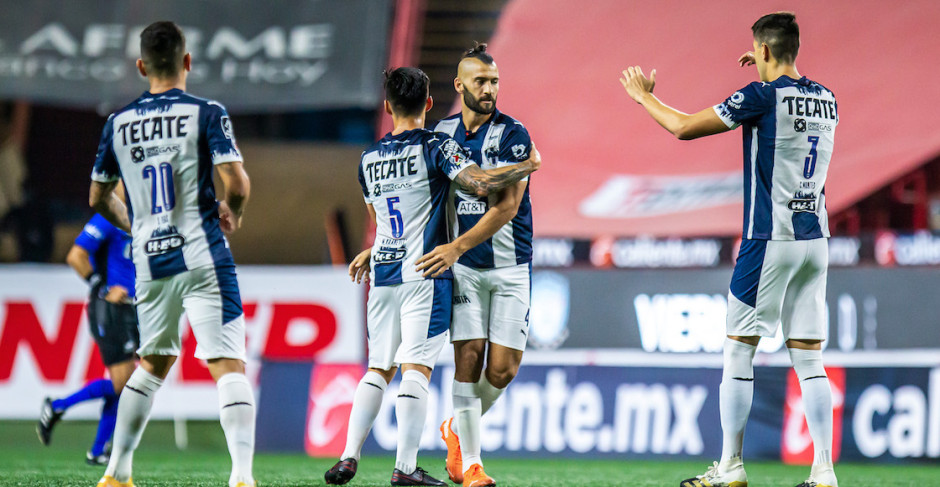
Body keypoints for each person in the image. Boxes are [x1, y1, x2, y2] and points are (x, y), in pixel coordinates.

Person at [619, 12, 838, 487]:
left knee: (739, 350)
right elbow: (787, 96)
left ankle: (731, 468)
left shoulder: (760, 96)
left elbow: (682, 127)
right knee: (809, 357)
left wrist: (645, 97)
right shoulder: (827, 98)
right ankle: (824, 473)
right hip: (815, 240)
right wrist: (765, 67)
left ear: (761, 51)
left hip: (769, 240)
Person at [323, 66, 540, 487]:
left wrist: (373, 249)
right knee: (415, 369)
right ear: (428, 103)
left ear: (387, 106)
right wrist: (526, 166)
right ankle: (405, 469)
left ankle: (348, 456)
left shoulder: (368, 157)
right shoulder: (437, 145)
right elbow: (477, 184)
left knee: (377, 368)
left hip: (383, 272)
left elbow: (381, 218)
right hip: (425, 270)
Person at [88, 21, 254, 487]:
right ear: (187, 62)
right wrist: (233, 213)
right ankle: (242, 477)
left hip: (150, 261)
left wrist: (137, 224)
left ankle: (117, 473)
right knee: (227, 366)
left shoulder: (117, 123)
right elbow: (236, 183)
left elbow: (98, 198)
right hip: (203, 255)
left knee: (153, 363)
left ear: (141, 66)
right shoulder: (206, 111)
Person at [414, 43, 534, 487]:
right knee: (468, 356)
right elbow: (427, 196)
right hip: (462, 268)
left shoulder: (514, 133)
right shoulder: (440, 133)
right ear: (459, 84)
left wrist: (456, 247)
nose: (490, 89)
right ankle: (473, 465)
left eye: (495, 81)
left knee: (502, 370)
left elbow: (506, 206)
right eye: (481, 81)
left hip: (509, 265)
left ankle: (453, 430)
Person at [37, 212, 139, 466]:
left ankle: (97, 451)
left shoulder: (141, 213)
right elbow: (76, 256)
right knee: (123, 383)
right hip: (109, 309)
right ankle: (59, 406)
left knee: (124, 385)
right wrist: (103, 288)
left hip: (131, 308)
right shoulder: (107, 218)